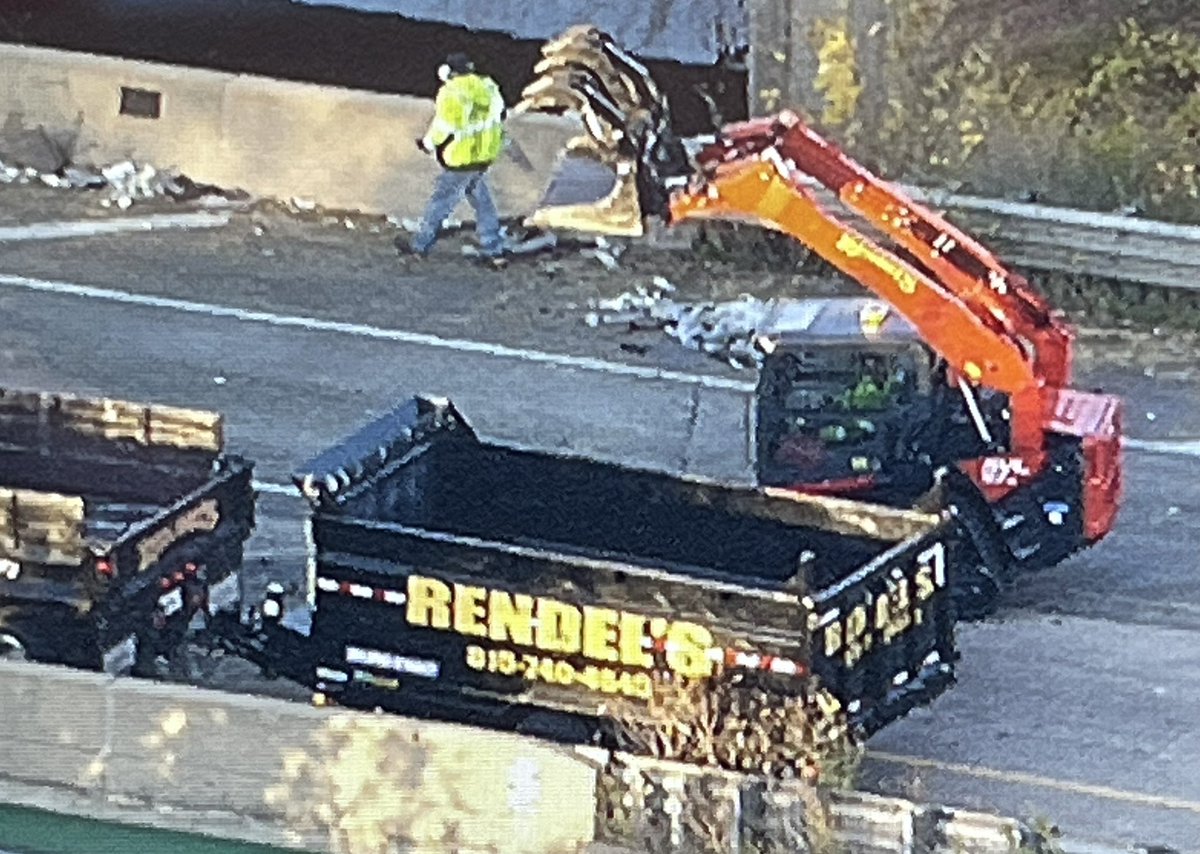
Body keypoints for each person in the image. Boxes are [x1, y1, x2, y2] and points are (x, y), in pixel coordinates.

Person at [396, 52, 508, 268]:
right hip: (484, 155)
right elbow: (499, 116)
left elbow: (444, 126)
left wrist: (428, 144)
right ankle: (494, 249)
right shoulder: (489, 86)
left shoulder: (451, 92)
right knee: (482, 200)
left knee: (441, 201)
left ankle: (419, 245)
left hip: (461, 157)